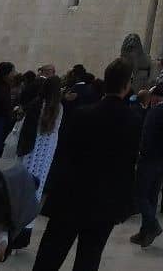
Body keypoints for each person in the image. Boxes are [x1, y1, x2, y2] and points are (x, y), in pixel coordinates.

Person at [32, 58, 139, 271]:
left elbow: (63, 155)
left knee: (50, 254)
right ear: (127, 86)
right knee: (89, 259)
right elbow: (129, 164)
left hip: (70, 196)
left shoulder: (83, 114)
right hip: (104, 203)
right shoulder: (133, 120)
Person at [13, 76, 64, 249]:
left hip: (30, 153)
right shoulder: (58, 108)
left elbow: (24, 131)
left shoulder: (35, 105)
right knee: (36, 191)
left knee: (21, 190)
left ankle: (14, 230)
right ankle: (25, 234)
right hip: (45, 156)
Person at [132, 85, 163, 247]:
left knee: (140, 195)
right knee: (151, 196)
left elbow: (146, 135)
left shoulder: (155, 112)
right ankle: (145, 232)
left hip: (149, 160)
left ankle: (153, 225)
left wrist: (141, 153)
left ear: (156, 97)